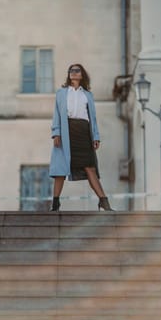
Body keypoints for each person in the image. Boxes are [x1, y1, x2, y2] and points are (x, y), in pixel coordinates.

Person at [49, 63, 113, 211]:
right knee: (60, 169)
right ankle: (55, 203)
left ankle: (104, 202)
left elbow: (93, 117)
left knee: (90, 167)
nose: (73, 72)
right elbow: (57, 114)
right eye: (71, 70)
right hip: (67, 131)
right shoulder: (61, 93)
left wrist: (95, 136)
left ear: (82, 74)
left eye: (77, 70)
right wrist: (56, 133)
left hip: (84, 132)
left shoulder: (88, 95)